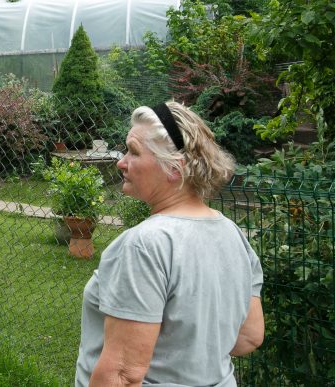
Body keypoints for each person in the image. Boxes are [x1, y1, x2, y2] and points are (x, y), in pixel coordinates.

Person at [75, 102, 264, 387]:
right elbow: (249, 337)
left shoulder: (144, 245)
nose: (121, 161)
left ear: (175, 168)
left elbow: (123, 375)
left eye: (134, 152)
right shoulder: (233, 234)